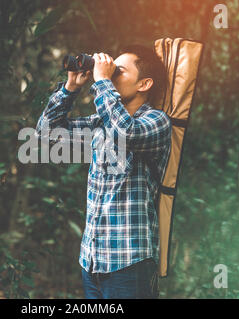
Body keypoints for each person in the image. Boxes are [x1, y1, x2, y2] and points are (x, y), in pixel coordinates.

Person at [35, 44, 171, 299]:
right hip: (92, 261)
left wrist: (102, 81)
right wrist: (71, 88)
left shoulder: (157, 122)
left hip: (129, 264)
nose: (109, 75)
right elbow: (46, 134)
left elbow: (125, 132)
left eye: (118, 71)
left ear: (144, 84)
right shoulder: (100, 124)